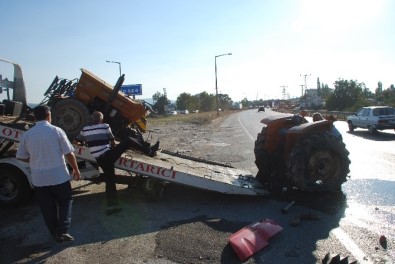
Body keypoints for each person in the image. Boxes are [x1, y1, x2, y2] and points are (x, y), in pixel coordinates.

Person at [73, 111, 159, 215]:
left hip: (99, 159)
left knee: (110, 180)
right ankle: (149, 150)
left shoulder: (85, 129)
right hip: (107, 156)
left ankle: (112, 207)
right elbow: (113, 142)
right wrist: (112, 148)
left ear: (91, 119)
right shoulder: (105, 126)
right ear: (101, 120)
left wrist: (88, 144)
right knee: (128, 140)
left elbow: (75, 142)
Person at [16, 105, 81, 243]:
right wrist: (75, 169)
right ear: (49, 116)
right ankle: (62, 230)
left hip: (39, 179)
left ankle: (55, 233)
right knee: (65, 201)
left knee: (47, 207)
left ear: (35, 117)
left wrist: (32, 159)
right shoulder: (57, 131)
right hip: (58, 176)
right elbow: (69, 153)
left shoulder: (27, 135)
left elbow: (20, 156)